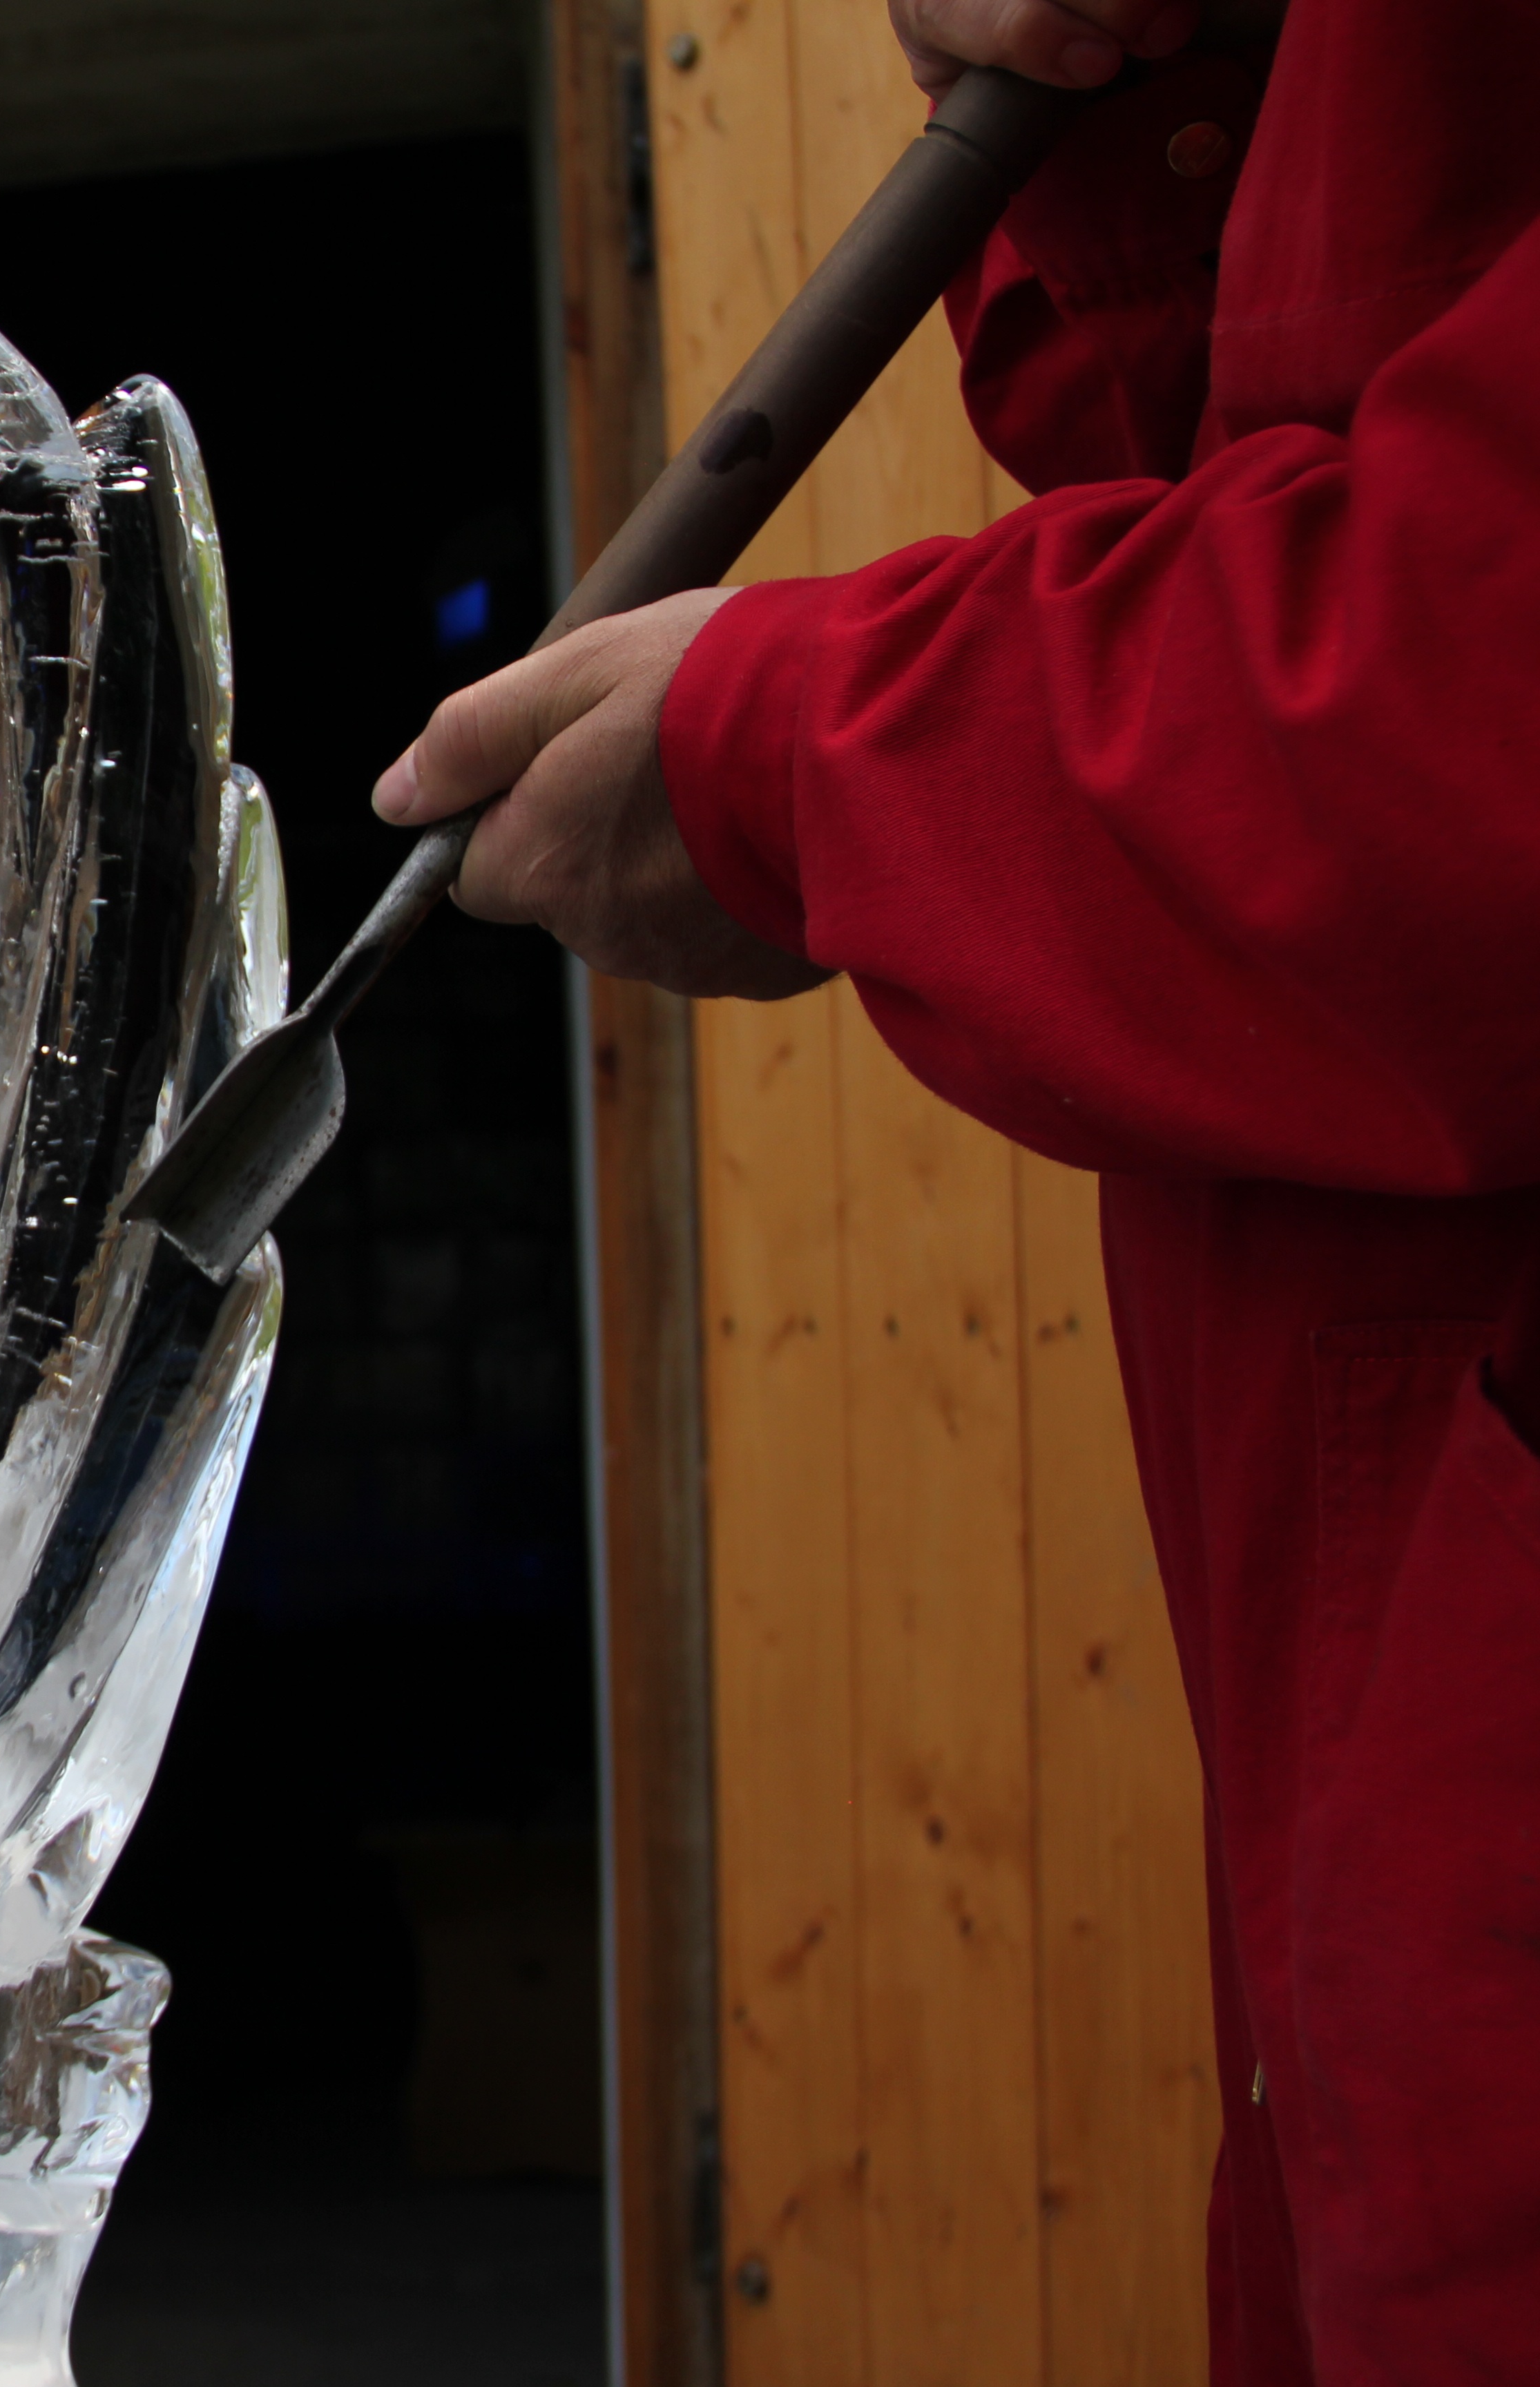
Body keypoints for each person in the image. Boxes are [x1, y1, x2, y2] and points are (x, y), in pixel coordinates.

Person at [372, 1, 1540, 2377]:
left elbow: (1471, 715)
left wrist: (807, 766)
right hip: (1389, 1966)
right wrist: (1160, 119)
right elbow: (1260, 498)